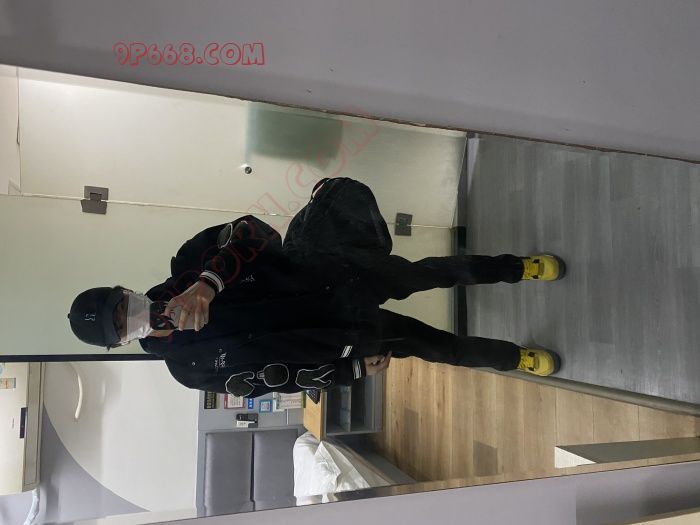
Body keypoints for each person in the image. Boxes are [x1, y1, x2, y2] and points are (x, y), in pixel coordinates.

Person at [68, 177, 564, 398]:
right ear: (122, 342)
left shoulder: (187, 263)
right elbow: (274, 379)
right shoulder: (188, 369)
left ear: (127, 291)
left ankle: (517, 268)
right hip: (342, 339)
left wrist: (208, 282)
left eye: (122, 307)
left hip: (336, 275)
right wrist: (350, 370)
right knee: (439, 348)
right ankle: (515, 358)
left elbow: (256, 232)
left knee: (434, 272)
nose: (133, 318)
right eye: (121, 327)